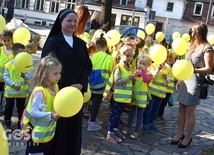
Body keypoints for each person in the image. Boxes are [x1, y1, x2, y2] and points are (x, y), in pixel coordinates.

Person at [41, 9, 92, 155]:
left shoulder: (81, 43)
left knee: (73, 129)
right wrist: (64, 86)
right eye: (69, 21)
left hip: (76, 94)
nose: (72, 23)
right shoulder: (53, 42)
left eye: (75, 21)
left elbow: (87, 66)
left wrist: (81, 84)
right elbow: (48, 67)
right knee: (59, 128)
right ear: (61, 22)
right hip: (58, 94)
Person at [171, 22, 214, 148]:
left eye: (193, 30)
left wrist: (192, 71)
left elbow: (208, 68)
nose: (191, 32)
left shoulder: (207, 48)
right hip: (185, 80)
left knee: (190, 111)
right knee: (181, 108)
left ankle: (188, 137)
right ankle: (180, 134)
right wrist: (180, 78)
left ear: (200, 32)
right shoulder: (191, 45)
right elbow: (185, 63)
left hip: (196, 82)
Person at [21, 55, 61, 155]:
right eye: (55, 73)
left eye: (59, 73)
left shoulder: (55, 87)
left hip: (46, 133)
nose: (58, 76)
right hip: (34, 132)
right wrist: (51, 115)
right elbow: (33, 112)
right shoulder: (40, 91)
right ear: (45, 74)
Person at [104, 43, 137, 143]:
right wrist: (129, 78)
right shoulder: (119, 67)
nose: (129, 58)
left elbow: (128, 81)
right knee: (114, 115)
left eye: (131, 56)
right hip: (117, 97)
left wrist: (133, 79)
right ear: (121, 55)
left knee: (118, 115)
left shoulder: (129, 67)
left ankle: (115, 130)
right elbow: (117, 81)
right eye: (127, 55)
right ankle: (110, 133)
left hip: (124, 98)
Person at [87, 33, 114, 131]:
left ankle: (91, 119)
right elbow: (111, 72)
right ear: (106, 46)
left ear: (97, 46)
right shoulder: (109, 58)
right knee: (97, 104)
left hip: (92, 83)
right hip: (102, 84)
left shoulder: (93, 56)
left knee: (92, 102)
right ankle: (92, 123)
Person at [122, 54, 152, 139]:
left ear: (148, 65)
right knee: (131, 113)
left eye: (144, 64)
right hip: (134, 96)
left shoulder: (149, 74)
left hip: (142, 98)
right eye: (140, 63)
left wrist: (143, 71)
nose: (141, 65)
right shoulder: (135, 71)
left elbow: (146, 80)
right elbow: (132, 82)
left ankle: (136, 131)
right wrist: (134, 77)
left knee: (140, 115)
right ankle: (128, 127)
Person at [3, 43, 32, 129]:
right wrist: (13, 84)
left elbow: (29, 76)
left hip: (22, 93)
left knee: (21, 107)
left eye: (24, 52)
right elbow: (5, 77)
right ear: (13, 53)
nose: (22, 55)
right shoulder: (9, 65)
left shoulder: (26, 65)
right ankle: (7, 120)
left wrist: (24, 76)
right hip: (10, 93)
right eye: (20, 53)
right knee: (9, 106)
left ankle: (21, 120)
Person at [0, 31, 13, 109]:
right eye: (5, 40)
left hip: (9, 79)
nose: (7, 42)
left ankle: (7, 110)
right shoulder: (0, 50)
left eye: (9, 40)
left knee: (8, 96)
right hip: (0, 79)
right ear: (2, 40)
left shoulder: (15, 51)